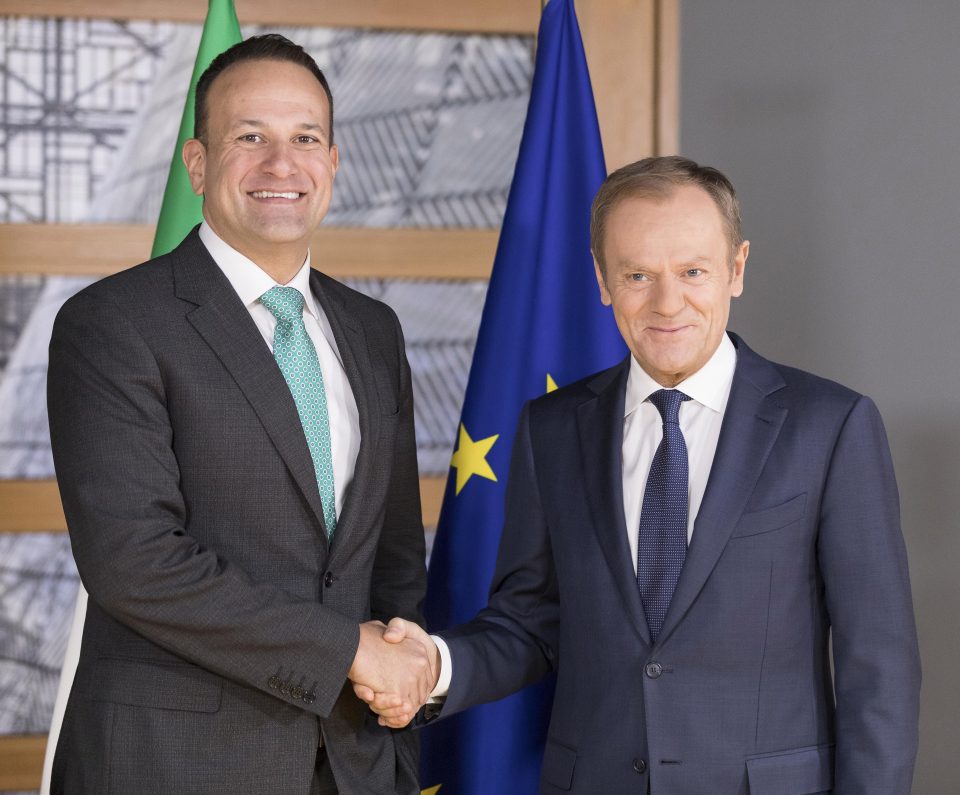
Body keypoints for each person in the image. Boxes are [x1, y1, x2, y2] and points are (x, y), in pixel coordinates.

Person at [360, 156, 922, 793]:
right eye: (637, 275)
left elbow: (879, 666)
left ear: (736, 269)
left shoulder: (830, 426)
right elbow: (529, 624)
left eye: (692, 271)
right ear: (602, 281)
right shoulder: (553, 428)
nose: (667, 302)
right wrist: (433, 665)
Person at [46, 34, 435, 795]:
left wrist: (397, 696)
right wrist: (349, 653)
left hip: (351, 763)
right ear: (197, 163)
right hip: (170, 764)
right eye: (249, 137)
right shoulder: (113, 322)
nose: (281, 165)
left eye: (305, 140)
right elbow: (136, 561)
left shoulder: (373, 330)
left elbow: (393, 557)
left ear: (333, 162)